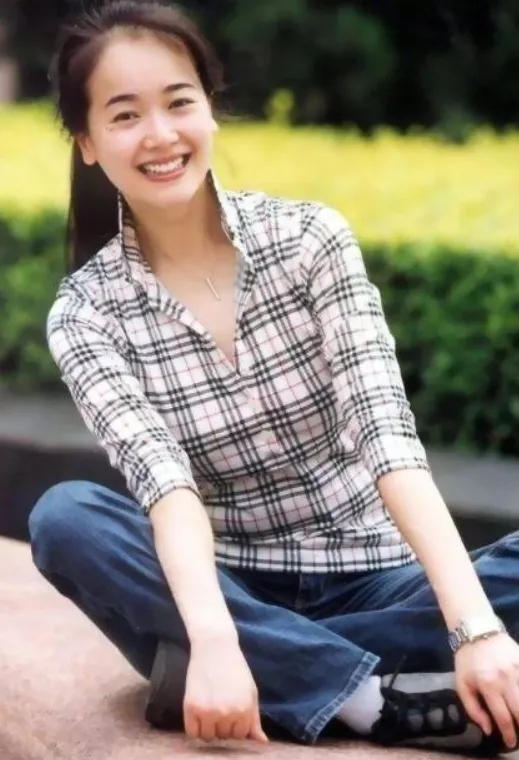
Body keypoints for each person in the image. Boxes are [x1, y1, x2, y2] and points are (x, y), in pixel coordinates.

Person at [28, 0, 519, 754]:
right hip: (222, 591)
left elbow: (386, 437)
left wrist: (474, 628)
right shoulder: (86, 313)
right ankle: (368, 701)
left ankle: (276, 666)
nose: (160, 134)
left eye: (178, 103)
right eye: (124, 115)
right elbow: (167, 488)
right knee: (65, 518)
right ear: (88, 142)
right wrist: (215, 640)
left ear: (211, 109)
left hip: (376, 575)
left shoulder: (308, 239)